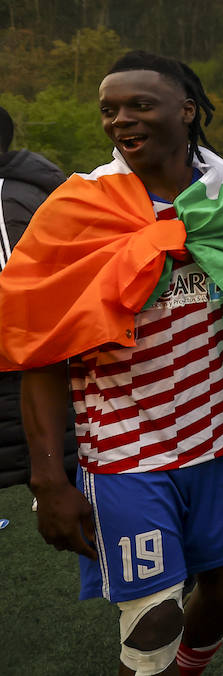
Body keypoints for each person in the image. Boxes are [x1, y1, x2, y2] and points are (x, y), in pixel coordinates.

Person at [0, 51, 223, 676]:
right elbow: (40, 354)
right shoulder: (77, 210)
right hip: (129, 453)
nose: (121, 121)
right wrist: (49, 479)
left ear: (186, 110)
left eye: (139, 105)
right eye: (109, 110)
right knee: (153, 621)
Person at [0, 105, 77, 494]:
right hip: (58, 348)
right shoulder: (43, 188)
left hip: (26, 353)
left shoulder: (8, 197)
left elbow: (14, 283)